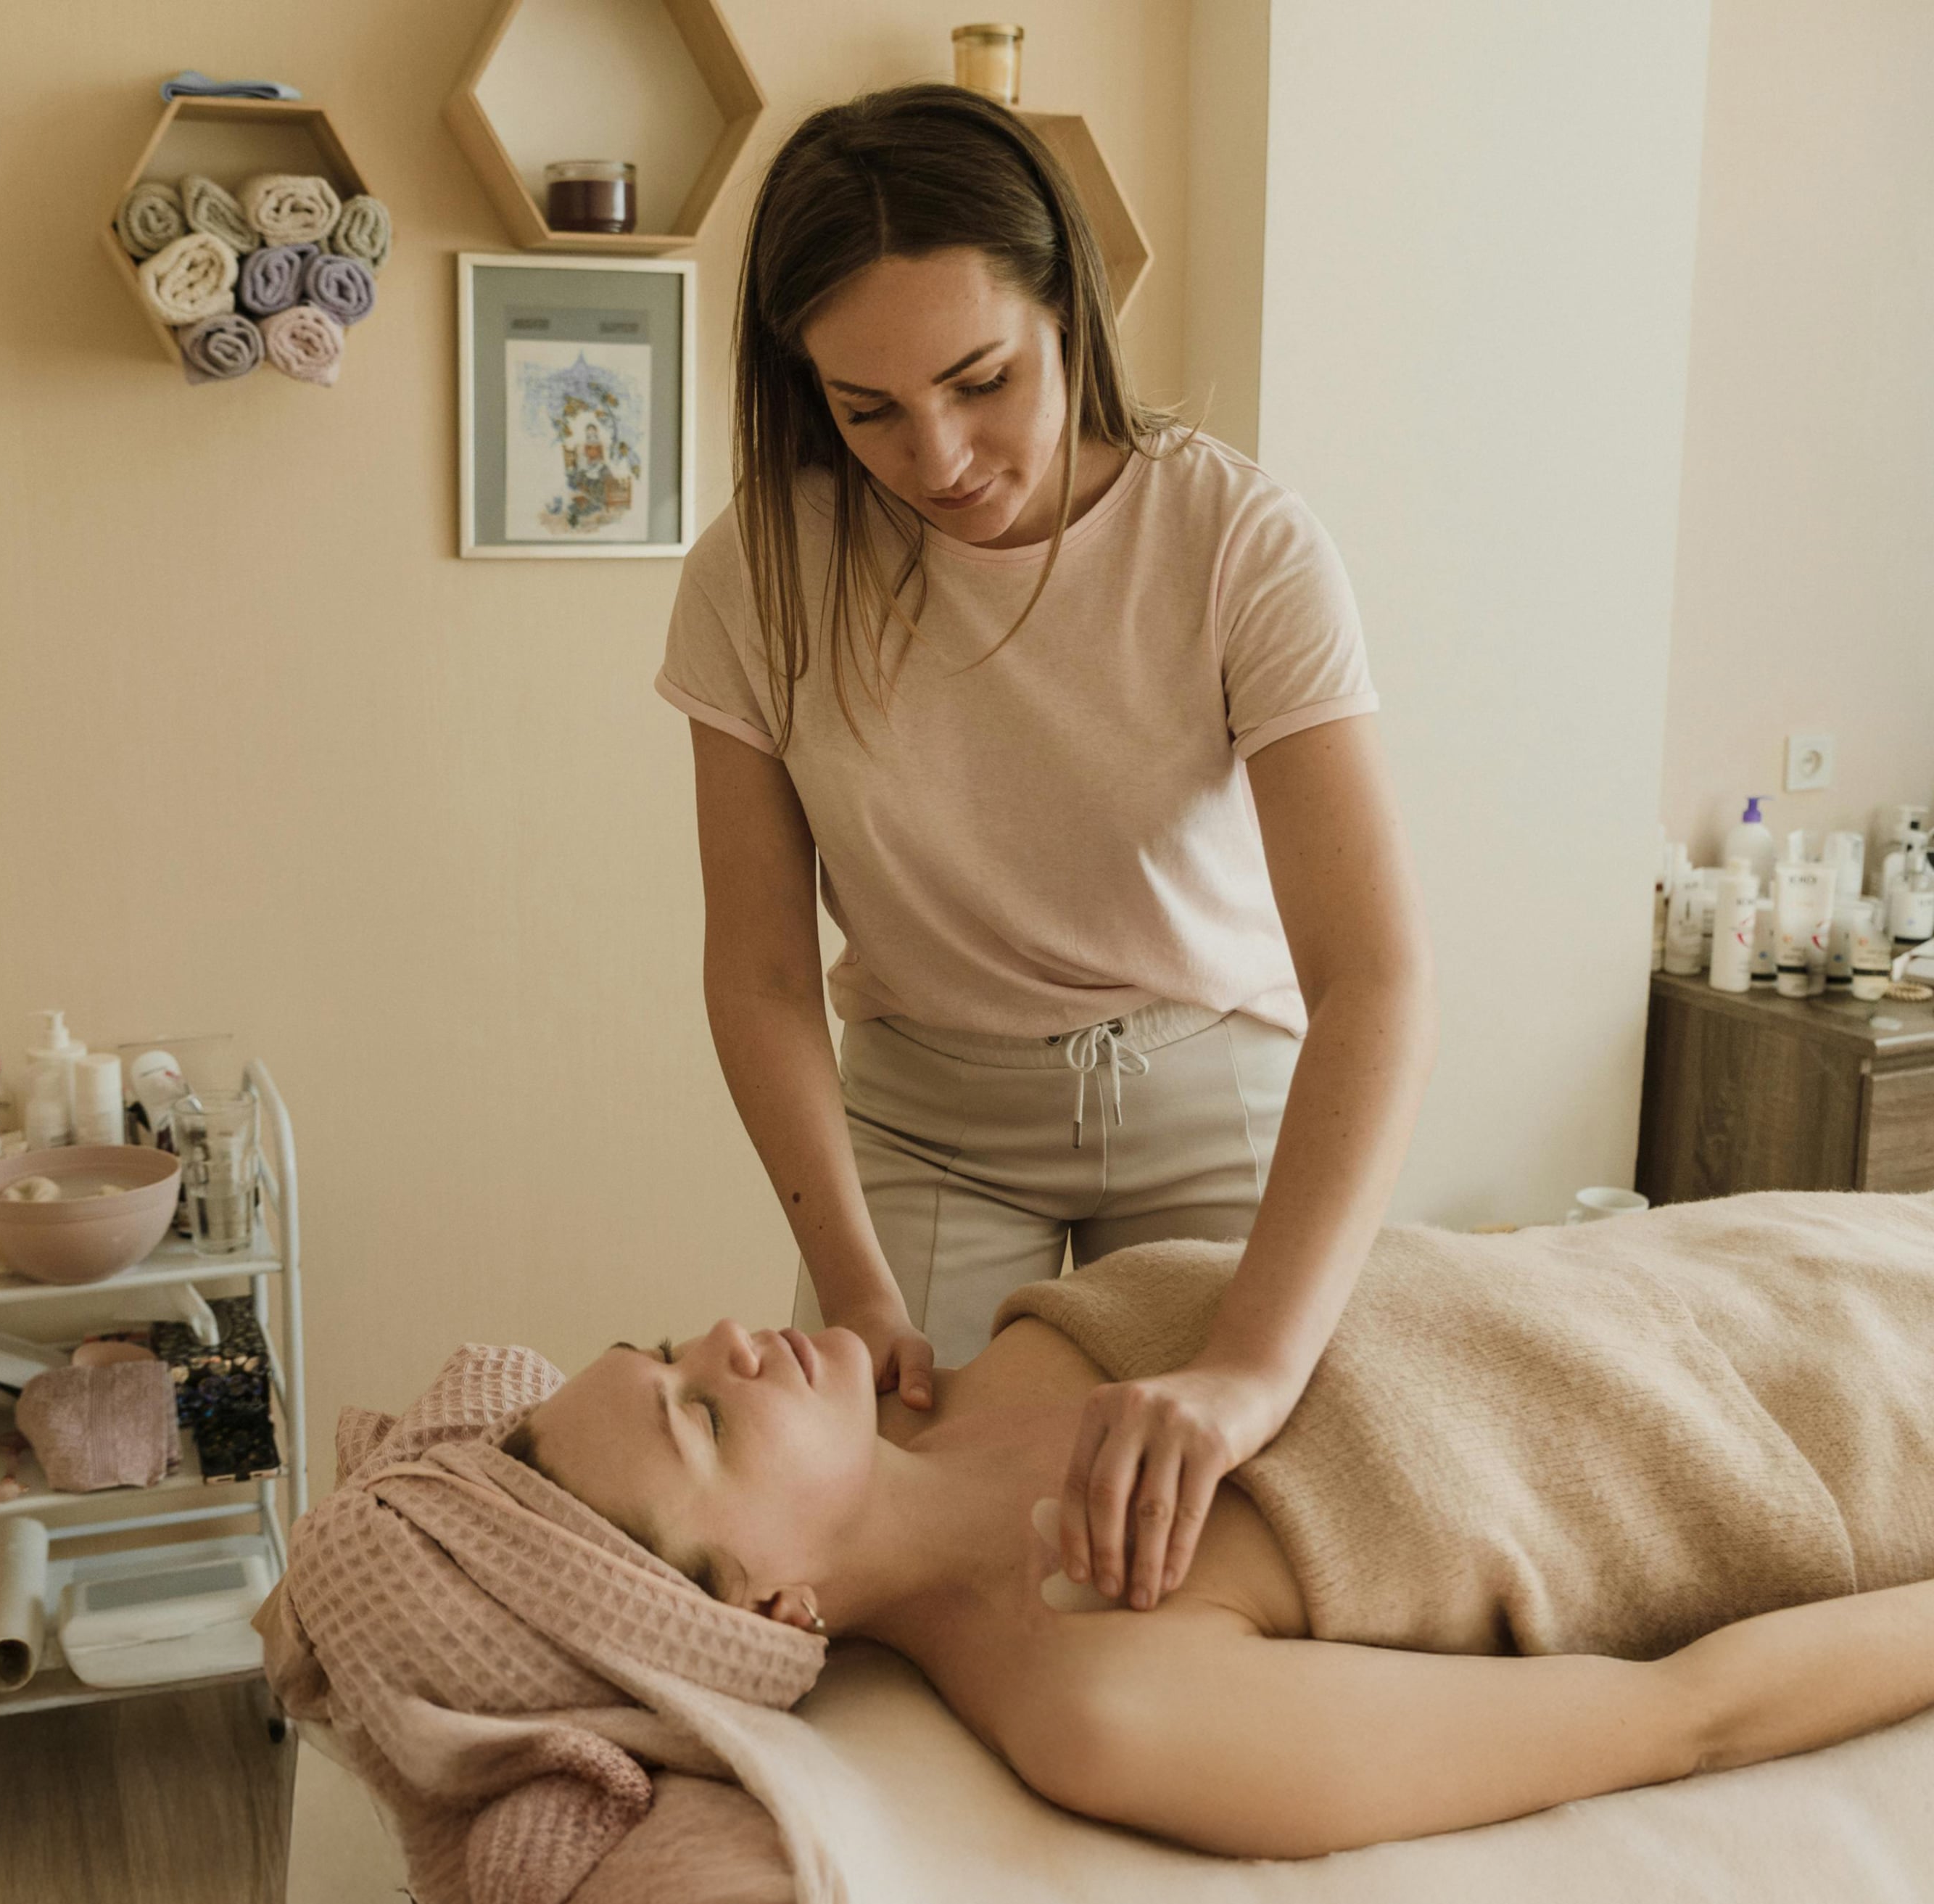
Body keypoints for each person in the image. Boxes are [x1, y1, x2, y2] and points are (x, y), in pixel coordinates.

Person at [656, 83, 1436, 1615]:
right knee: (877, 1563)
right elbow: (755, 972)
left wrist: (1252, 1369)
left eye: (978, 379)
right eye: (863, 407)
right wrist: (862, 1290)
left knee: (1229, 1550)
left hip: (1209, 1081)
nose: (934, 455)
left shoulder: (1234, 544)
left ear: (1067, 307)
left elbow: (1374, 975)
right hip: (924, 1118)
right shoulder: (756, 571)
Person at [489, 1190, 1934, 1862]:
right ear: (765, 1612)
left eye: (671, 1351)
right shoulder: (1104, 1691)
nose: (738, 1337)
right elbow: (1687, 1716)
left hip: (1770, 1268)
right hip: (1848, 1441)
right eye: (702, 1417)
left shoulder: (1004, 1348)